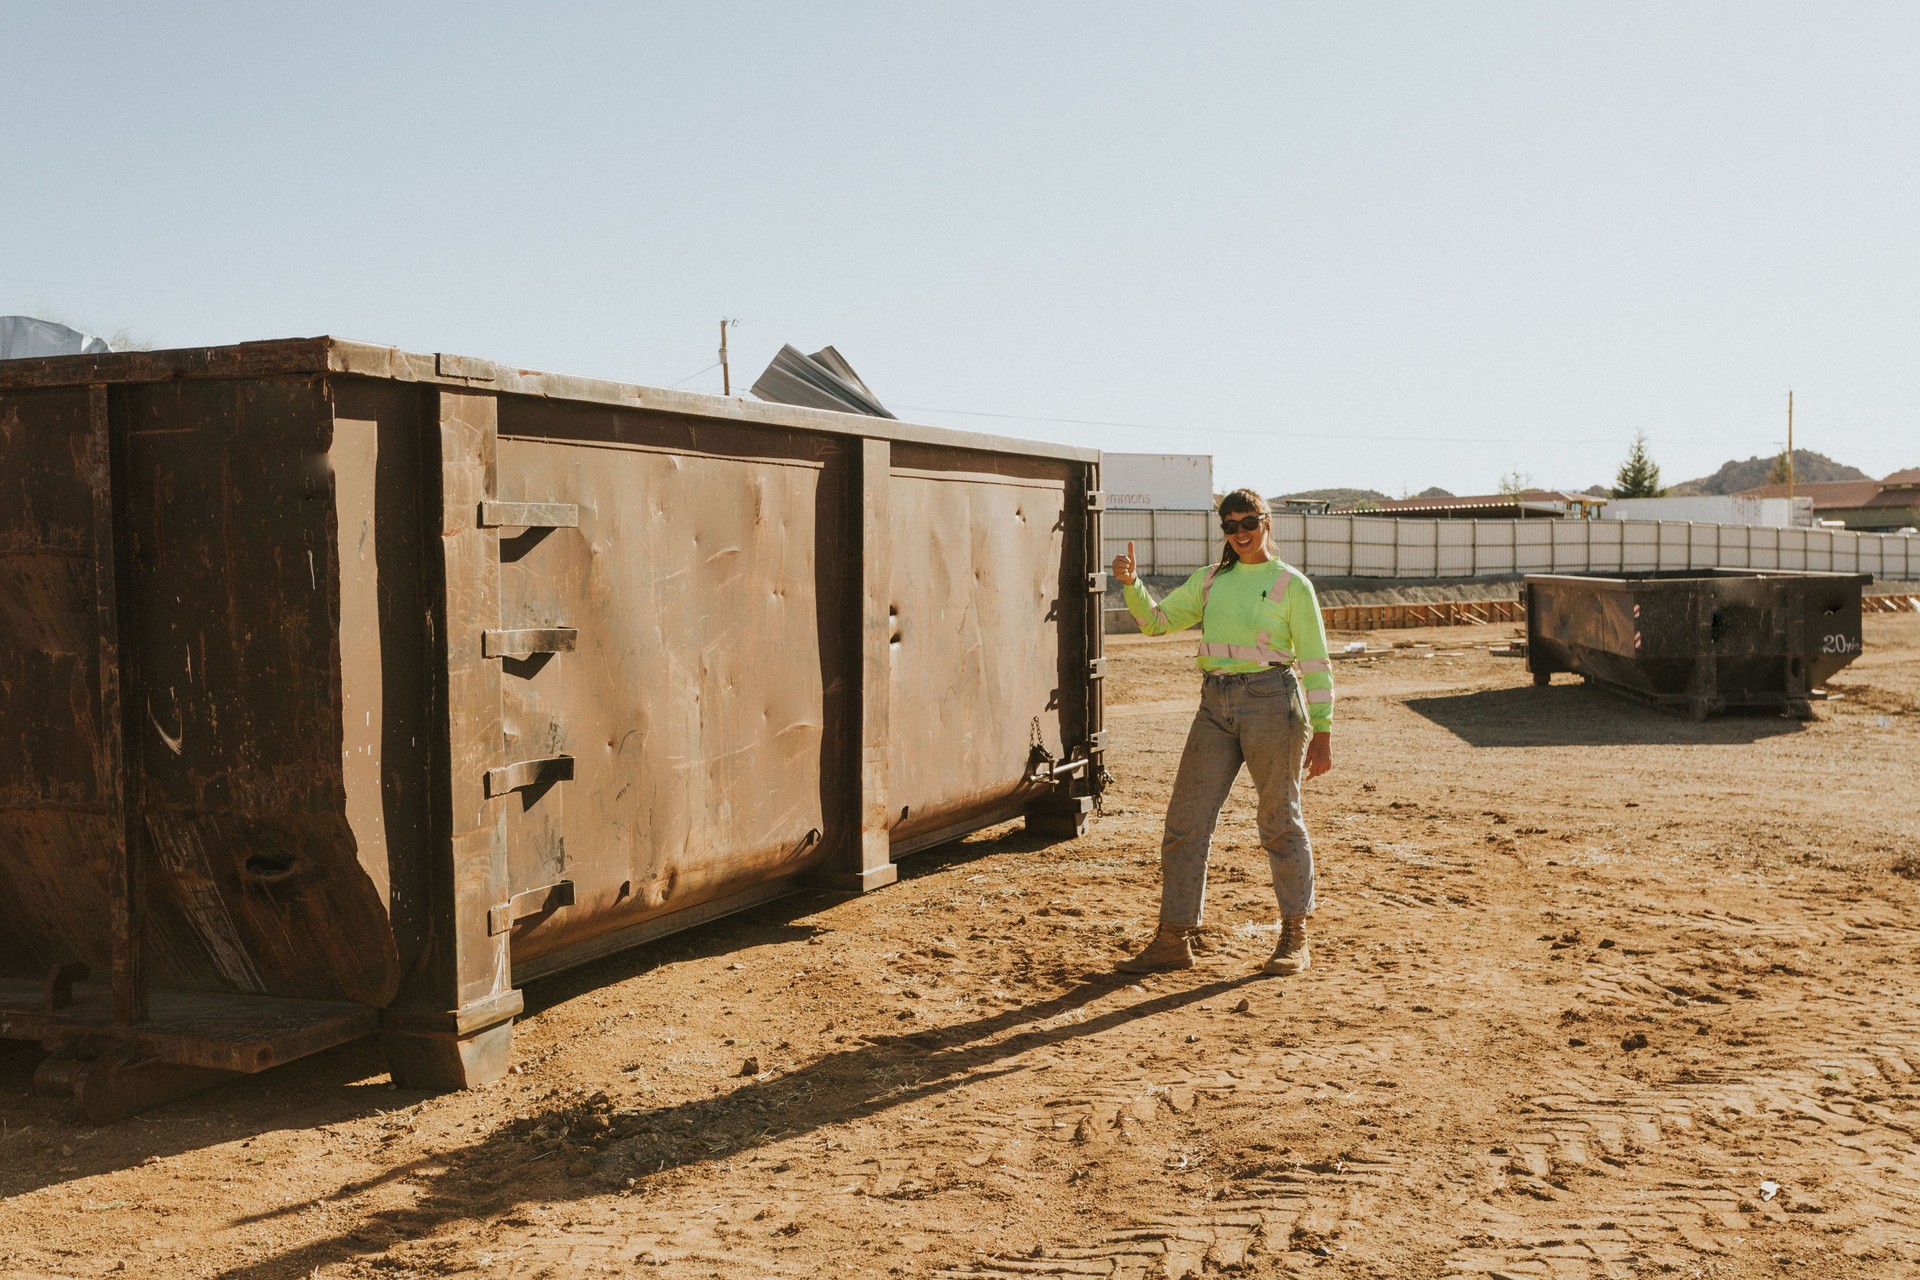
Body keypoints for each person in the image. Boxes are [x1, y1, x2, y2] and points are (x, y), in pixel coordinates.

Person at [1111, 489, 1334, 976]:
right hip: (1214, 703)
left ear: (1267, 522)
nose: (1239, 532)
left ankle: (1295, 937)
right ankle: (1173, 939)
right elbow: (1156, 623)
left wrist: (1323, 730)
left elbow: (1316, 661)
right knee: (1185, 823)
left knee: (1279, 821)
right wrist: (1132, 585)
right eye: (1229, 526)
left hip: (1272, 703)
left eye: (1248, 521)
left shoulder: (1290, 584)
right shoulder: (1209, 581)